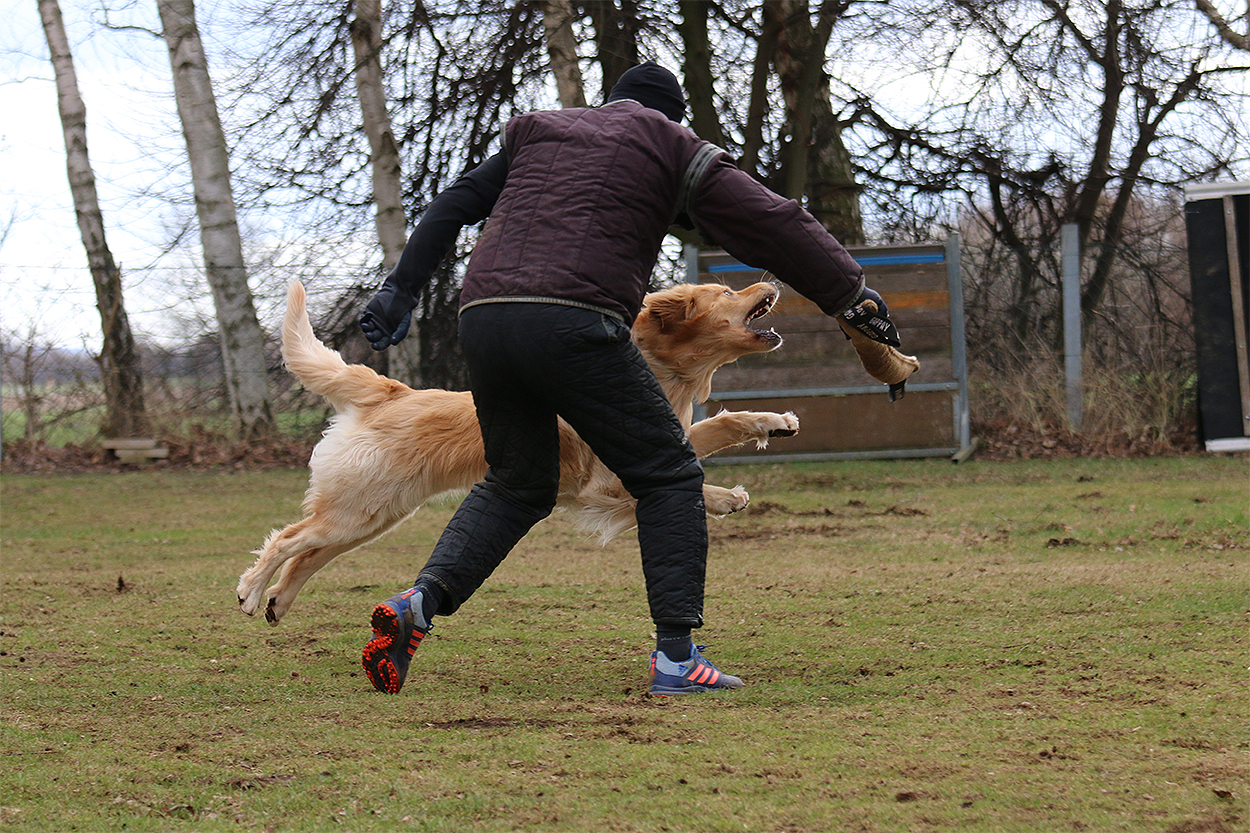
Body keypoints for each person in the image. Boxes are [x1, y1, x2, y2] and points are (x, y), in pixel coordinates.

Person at [357, 62, 900, 697]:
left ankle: (420, 604)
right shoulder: (669, 142)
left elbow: (452, 204)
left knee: (518, 483)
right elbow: (775, 221)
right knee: (668, 474)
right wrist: (851, 294)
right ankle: (677, 660)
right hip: (574, 320)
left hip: (483, 318)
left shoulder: (537, 133)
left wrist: (400, 290)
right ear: (674, 116)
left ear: (609, 102)